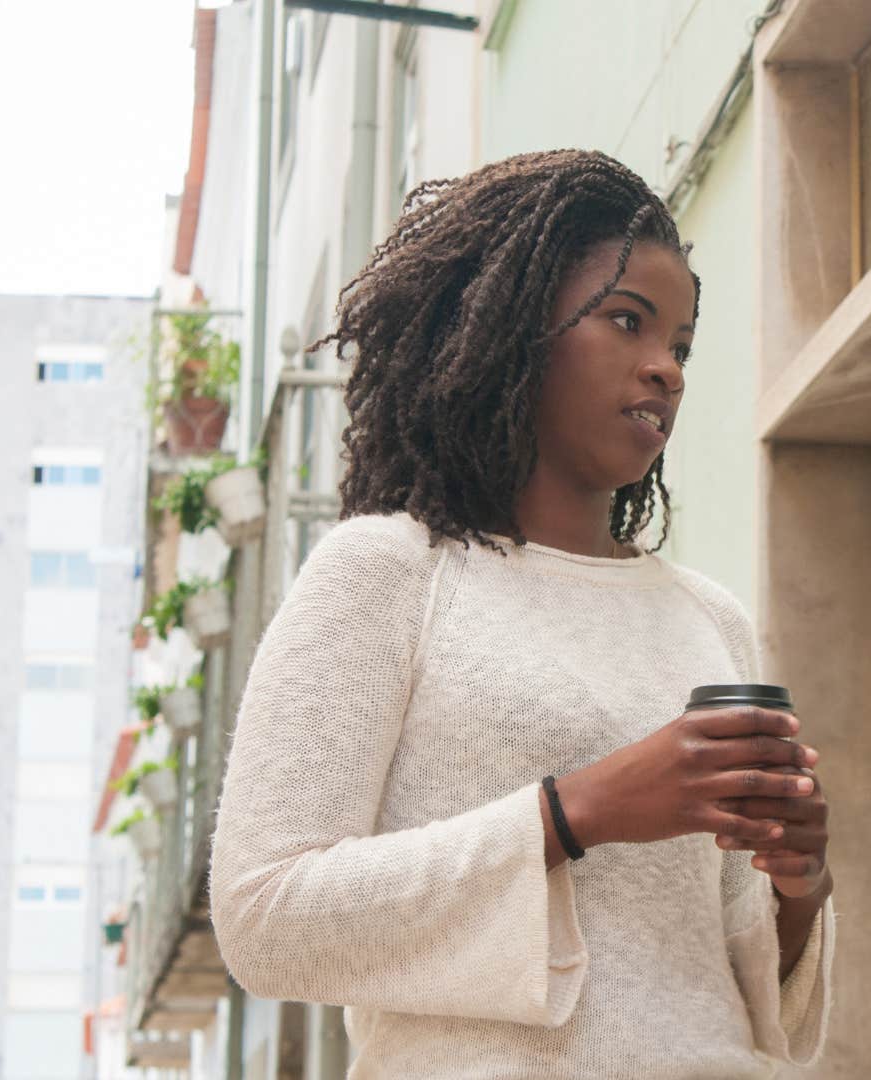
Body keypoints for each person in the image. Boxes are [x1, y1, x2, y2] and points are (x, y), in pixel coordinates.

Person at [211, 149, 834, 1079]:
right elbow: (265, 915)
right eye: (628, 322)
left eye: (682, 344)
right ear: (512, 329)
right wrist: (574, 813)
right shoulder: (390, 575)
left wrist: (798, 886)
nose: (665, 369)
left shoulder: (711, 619)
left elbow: (738, 992)